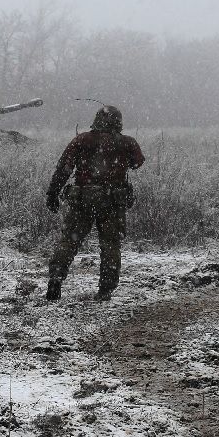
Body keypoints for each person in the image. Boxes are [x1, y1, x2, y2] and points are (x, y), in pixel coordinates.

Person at [45, 106, 145, 302]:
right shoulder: (127, 142)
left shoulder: (82, 140)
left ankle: (56, 279)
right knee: (110, 245)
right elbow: (137, 163)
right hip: (112, 202)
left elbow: (64, 169)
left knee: (69, 241)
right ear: (118, 122)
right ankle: (105, 289)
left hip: (82, 200)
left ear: (97, 120)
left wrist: (53, 193)